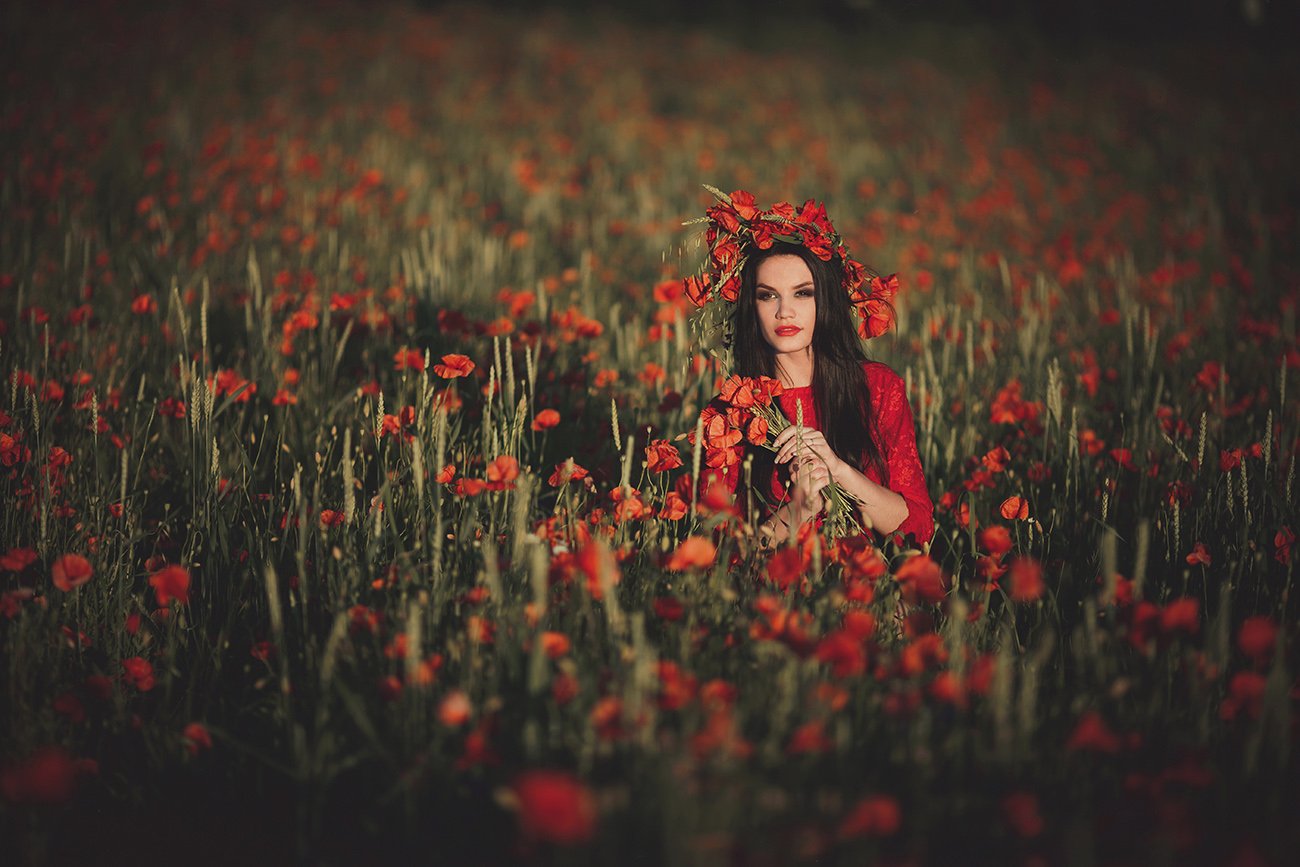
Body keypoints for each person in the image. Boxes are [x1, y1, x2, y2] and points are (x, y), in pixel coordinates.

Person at [685, 188, 934, 550]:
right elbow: (718, 556)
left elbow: (919, 530)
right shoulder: (731, 415)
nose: (784, 311)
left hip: (871, 582)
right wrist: (799, 509)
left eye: (802, 293)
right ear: (751, 306)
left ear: (826, 300)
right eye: (767, 295)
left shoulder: (878, 389)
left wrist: (839, 471)